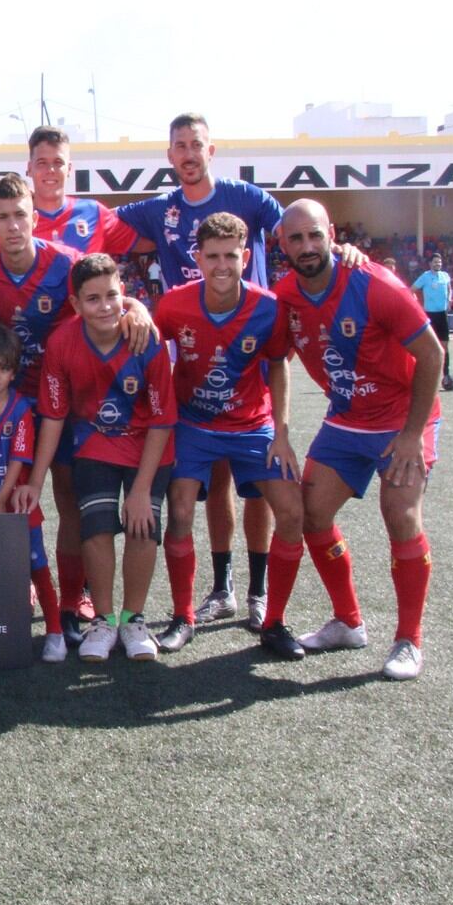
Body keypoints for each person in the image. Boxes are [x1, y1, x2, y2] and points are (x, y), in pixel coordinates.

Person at [112, 113, 365, 630]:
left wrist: (337, 251)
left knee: (263, 497)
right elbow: (98, 224)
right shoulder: (162, 214)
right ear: (169, 155)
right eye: (178, 145)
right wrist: (133, 304)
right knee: (198, 499)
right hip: (194, 400)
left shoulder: (250, 205)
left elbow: (299, 233)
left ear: (211, 150)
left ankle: (260, 598)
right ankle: (211, 596)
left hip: (251, 407)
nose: (188, 152)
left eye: (196, 144)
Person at [0, 172, 156, 644]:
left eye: (20, 215)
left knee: (68, 499)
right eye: (2, 217)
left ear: (35, 217)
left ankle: (74, 600)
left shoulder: (65, 263)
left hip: (61, 401)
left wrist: (135, 304)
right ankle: (1, 587)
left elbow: (102, 288)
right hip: (0, 400)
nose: (12, 226)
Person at [273, 199, 443, 680]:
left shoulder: (374, 284)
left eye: (314, 236)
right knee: (312, 515)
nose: (307, 247)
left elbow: (432, 355)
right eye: (296, 239)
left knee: (401, 515)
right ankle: (348, 622)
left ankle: (410, 640)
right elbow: (274, 360)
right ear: (282, 245)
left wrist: (412, 435)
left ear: (331, 234)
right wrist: (280, 431)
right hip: (347, 419)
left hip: (404, 418)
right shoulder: (285, 296)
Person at [152, 213, 306, 660]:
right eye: (212, 256)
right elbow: (150, 354)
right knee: (179, 512)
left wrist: (282, 432)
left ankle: (272, 618)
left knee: (291, 511)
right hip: (193, 424)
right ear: (197, 257)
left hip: (252, 425)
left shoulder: (268, 306)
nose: (222, 265)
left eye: (231, 256)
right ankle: (184, 616)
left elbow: (278, 363)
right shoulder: (174, 305)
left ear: (247, 255)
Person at [12, 254, 176, 663]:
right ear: (75, 303)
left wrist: (140, 491)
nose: (105, 306)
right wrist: (33, 481)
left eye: (113, 296)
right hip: (95, 445)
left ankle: (133, 619)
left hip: (147, 447)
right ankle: (103, 620)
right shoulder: (63, 343)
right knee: (96, 529)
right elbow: (53, 417)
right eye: (93, 299)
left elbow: (161, 420)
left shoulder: (146, 337)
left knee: (143, 525)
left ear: (125, 294)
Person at [0, 324, 62, 660]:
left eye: (3, 368)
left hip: (17, 506)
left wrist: (1, 500)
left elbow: (19, 458)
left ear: (13, 373)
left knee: (37, 565)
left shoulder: (20, 410)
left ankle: (55, 631)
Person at [24, 126, 140, 254]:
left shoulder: (95, 212)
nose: (50, 170)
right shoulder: (14, 221)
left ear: (69, 168)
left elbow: (150, 243)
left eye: (58, 162)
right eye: (42, 162)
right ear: (30, 168)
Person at [410, 253, 453, 391]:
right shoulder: (425, 276)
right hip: (429, 315)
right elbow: (412, 289)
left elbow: (449, 289)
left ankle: (446, 375)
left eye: (440, 262)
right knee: (429, 347)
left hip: (442, 314)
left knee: (444, 346)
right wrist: (417, 305)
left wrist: (449, 299)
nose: (438, 264)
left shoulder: (445, 276)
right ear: (430, 264)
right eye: (435, 262)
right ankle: (426, 379)